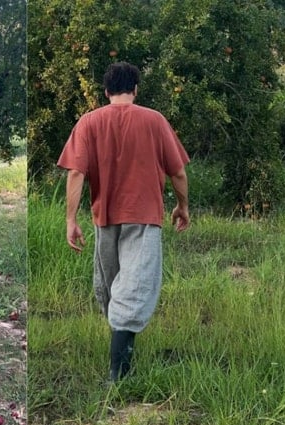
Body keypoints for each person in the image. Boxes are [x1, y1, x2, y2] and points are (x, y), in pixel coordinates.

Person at [57, 62, 190, 382]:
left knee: (116, 286)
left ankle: (119, 370)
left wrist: (71, 219)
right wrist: (182, 205)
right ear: (136, 89)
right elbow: (178, 172)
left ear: (106, 91)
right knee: (128, 288)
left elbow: (76, 173)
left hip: (105, 218)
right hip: (144, 217)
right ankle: (119, 372)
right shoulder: (155, 120)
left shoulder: (89, 122)